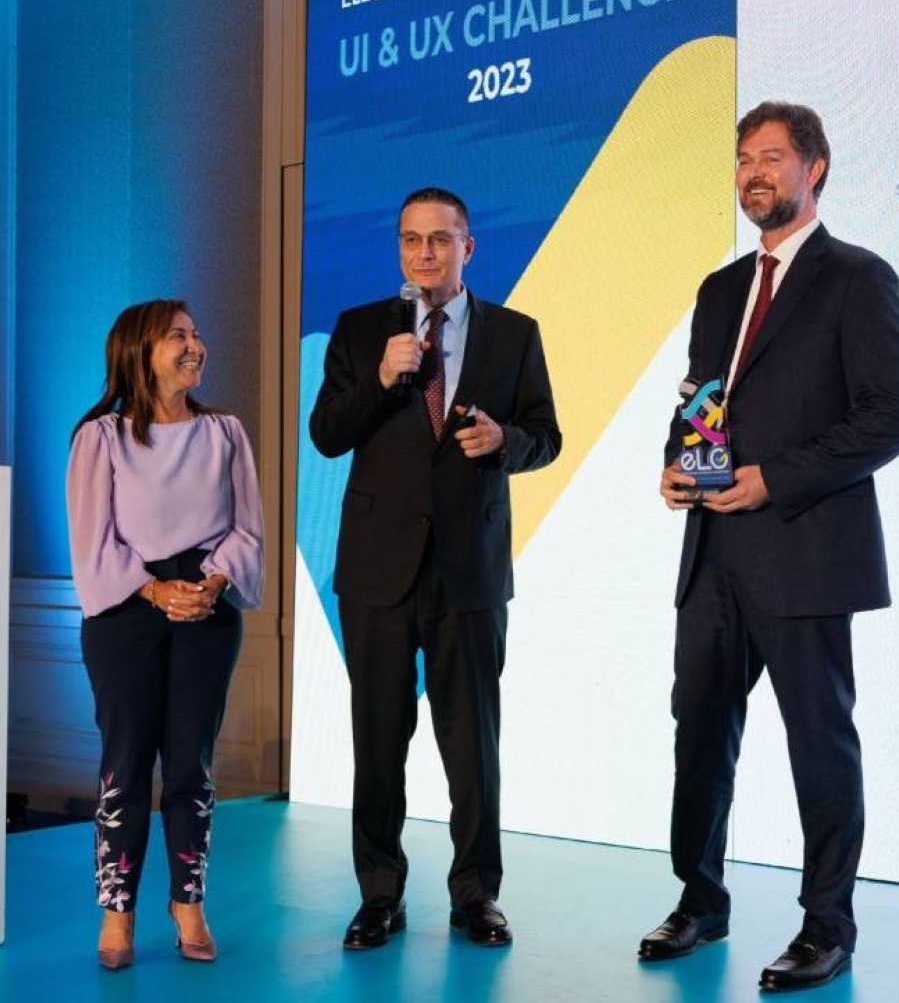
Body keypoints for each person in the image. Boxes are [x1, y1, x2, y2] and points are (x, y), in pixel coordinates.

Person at [639, 103, 899, 992]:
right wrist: (678, 464)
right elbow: (703, 399)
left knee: (819, 745)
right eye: (743, 159)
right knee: (699, 737)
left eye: (771, 157)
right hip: (712, 557)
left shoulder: (858, 278)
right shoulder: (721, 288)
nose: (753, 172)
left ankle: (827, 926)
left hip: (805, 552)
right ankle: (700, 900)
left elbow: (894, 416)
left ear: (815, 168)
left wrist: (776, 479)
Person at [310, 187, 561, 950]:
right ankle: (379, 895)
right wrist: (380, 380)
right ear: (399, 248)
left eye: (441, 239)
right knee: (378, 741)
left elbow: (546, 434)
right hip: (377, 573)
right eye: (412, 239)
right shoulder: (361, 331)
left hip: (469, 572)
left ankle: (476, 896)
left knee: (472, 744)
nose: (425, 253)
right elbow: (327, 434)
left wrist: (507, 442)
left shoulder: (515, 333)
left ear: (467, 248)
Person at [67, 299, 264, 970]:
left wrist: (211, 583)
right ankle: (117, 910)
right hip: (126, 612)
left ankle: (189, 905)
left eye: (196, 334)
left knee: (191, 765)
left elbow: (248, 529)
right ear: (139, 352)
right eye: (178, 336)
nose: (195, 345)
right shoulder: (100, 438)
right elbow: (92, 542)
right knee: (124, 764)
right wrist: (155, 590)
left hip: (208, 609)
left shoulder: (226, 432)